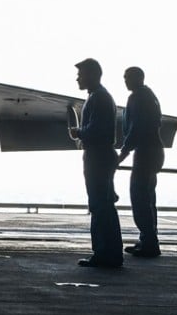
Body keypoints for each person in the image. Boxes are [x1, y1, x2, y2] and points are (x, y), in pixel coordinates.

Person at [69, 58, 122, 267]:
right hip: (102, 156)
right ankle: (111, 253)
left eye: (80, 75)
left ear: (92, 75)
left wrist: (78, 132)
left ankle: (104, 254)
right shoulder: (101, 97)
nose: (77, 79)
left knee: (100, 205)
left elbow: (96, 130)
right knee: (105, 205)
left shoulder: (98, 98)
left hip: (97, 157)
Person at [118, 66, 164, 258]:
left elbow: (135, 129)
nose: (125, 80)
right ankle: (148, 240)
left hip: (145, 153)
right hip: (154, 151)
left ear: (138, 78)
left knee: (139, 197)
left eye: (128, 77)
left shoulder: (137, 98)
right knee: (148, 198)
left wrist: (121, 156)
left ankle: (149, 243)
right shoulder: (150, 96)